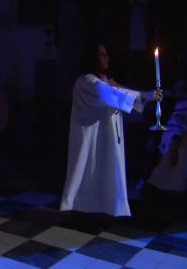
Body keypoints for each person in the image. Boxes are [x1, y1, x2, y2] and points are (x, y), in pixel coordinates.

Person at [60, 44, 163, 217]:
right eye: (102, 54)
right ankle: (80, 207)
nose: (107, 58)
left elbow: (121, 92)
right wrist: (146, 96)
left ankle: (107, 207)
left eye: (107, 54)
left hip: (108, 137)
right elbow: (107, 94)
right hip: (91, 138)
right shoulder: (85, 81)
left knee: (108, 170)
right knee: (89, 169)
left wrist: (148, 96)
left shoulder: (107, 82)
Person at [147, 79, 187, 192]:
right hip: (165, 155)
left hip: (180, 159)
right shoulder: (170, 109)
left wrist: (175, 143)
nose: (177, 92)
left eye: (180, 90)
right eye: (176, 90)